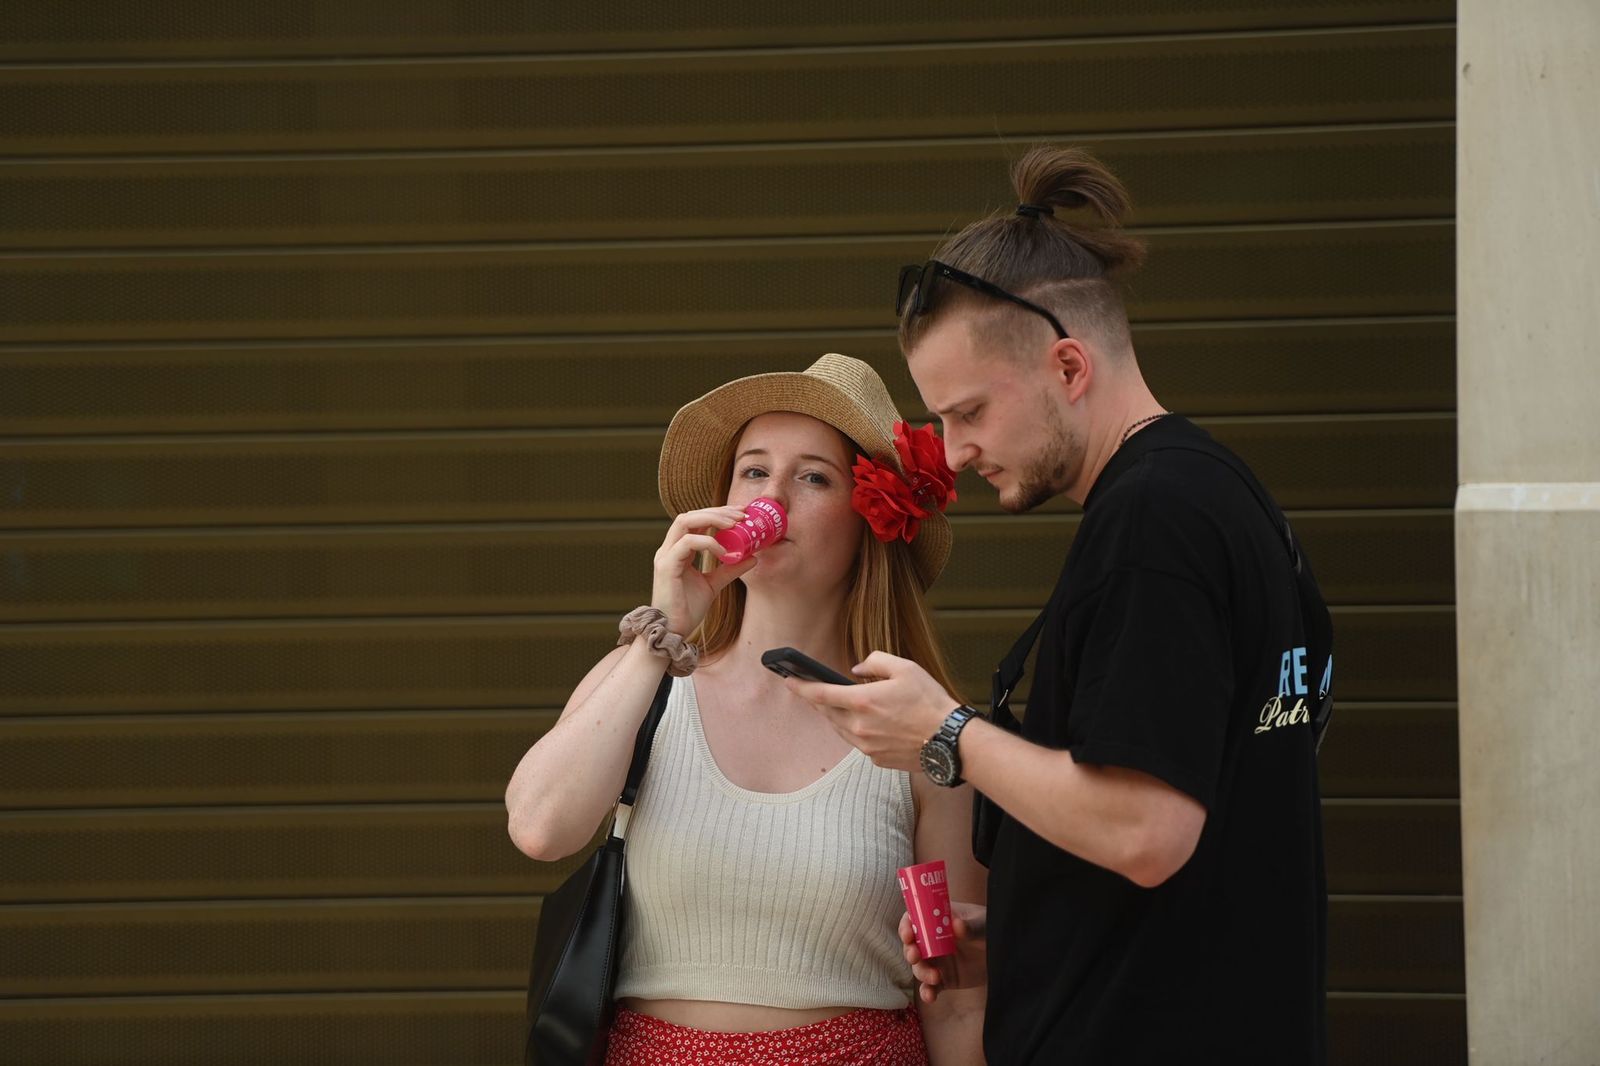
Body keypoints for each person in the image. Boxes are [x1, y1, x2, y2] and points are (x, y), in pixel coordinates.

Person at [786, 146, 1330, 1064]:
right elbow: (1213, 815)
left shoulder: (1153, 525)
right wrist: (1025, 929)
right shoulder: (1224, 499)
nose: (951, 452)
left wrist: (944, 731)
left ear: (1068, 367)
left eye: (967, 414)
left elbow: (1148, 831)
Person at [505, 353, 987, 1066]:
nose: (773, 497)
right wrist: (661, 637)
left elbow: (955, 999)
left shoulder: (919, 730)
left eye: (813, 476)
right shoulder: (646, 682)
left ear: (870, 519)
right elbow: (541, 829)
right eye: (754, 471)